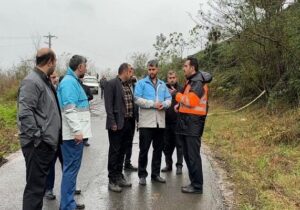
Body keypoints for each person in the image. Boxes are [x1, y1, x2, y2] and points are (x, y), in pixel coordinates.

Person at [17, 48, 62, 210]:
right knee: (35, 189)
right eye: (55, 62)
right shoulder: (32, 81)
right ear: (50, 61)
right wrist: (38, 139)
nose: (55, 65)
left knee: (39, 187)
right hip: (37, 145)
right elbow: (25, 113)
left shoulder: (43, 80)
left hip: (45, 143)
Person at [57, 55, 92, 210]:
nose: (86, 68)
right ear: (79, 67)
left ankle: (68, 202)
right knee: (70, 171)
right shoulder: (69, 83)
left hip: (75, 135)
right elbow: (69, 109)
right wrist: (78, 131)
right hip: (72, 136)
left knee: (71, 170)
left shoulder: (71, 81)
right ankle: (67, 205)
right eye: (85, 65)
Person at [175, 57, 212, 194]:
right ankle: (194, 183)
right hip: (187, 124)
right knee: (189, 155)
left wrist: (176, 95)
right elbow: (187, 102)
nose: (183, 68)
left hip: (193, 125)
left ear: (192, 68)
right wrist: (179, 106)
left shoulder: (197, 81)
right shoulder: (192, 81)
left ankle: (197, 186)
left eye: (185, 66)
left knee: (193, 156)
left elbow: (191, 101)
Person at [134, 59, 171, 185]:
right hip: (146, 122)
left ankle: (155, 174)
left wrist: (164, 104)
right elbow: (137, 99)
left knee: (158, 149)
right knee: (144, 149)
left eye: (153, 69)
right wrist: (152, 104)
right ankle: (142, 175)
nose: (151, 72)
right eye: (149, 69)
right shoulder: (141, 83)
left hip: (160, 122)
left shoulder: (162, 84)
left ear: (157, 69)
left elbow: (169, 98)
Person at [104, 63, 135, 192]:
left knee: (123, 150)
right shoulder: (111, 84)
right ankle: (112, 179)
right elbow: (108, 106)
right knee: (115, 151)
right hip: (117, 124)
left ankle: (119, 176)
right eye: (130, 71)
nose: (132, 74)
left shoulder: (128, 84)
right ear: (125, 71)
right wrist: (112, 123)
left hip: (129, 122)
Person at [44, 71, 64, 200]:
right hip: (51, 134)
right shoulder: (46, 91)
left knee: (66, 162)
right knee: (50, 164)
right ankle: (48, 189)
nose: (55, 79)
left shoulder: (61, 90)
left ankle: (69, 186)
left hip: (62, 133)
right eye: (52, 77)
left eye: (56, 77)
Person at [161, 70, 184, 175]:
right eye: (170, 78)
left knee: (179, 144)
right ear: (167, 79)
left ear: (177, 78)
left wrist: (176, 94)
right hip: (165, 121)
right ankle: (168, 164)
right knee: (166, 145)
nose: (172, 79)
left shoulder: (181, 89)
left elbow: (184, 102)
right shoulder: (162, 88)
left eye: (173, 77)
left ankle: (179, 166)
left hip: (178, 121)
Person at [123, 74, 138, 171]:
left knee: (129, 142)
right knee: (122, 143)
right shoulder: (122, 85)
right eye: (129, 72)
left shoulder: (135, 86)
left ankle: (127, 163)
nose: (131, 74)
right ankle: (120, 165)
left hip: (132, 118)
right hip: (124, 119)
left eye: (132, 72)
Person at [79, 77, 94, 147]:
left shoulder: (86, 87)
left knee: (85, 124)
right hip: (76, 109)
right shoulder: (74, 87)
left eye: (81, 78)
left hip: (85, 109)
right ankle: (79, 138)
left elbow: (91, 96)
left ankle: (85, 140)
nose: (80, 79)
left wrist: (84, 98)